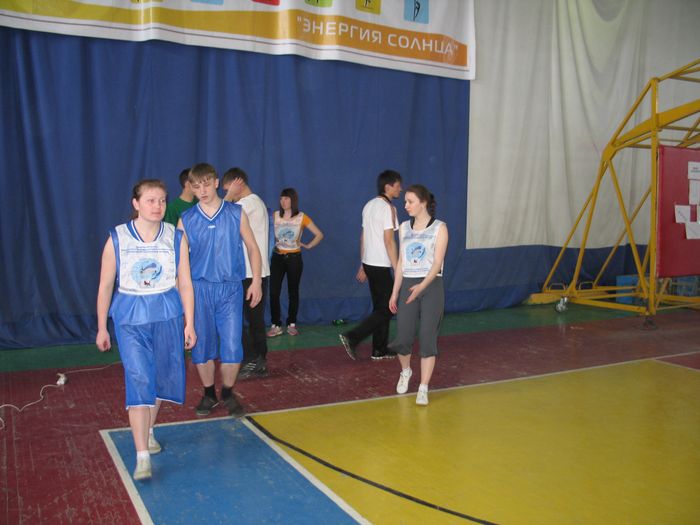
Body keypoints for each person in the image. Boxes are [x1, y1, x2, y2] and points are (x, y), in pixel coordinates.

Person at [96, 179, 196, 481]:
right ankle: (142, 456)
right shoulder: (117, 238)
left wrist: (190, 322)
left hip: (167, 315)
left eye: (162, 200)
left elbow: (185, 283)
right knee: (139, 378)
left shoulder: (176, 237)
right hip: (130, 318)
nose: (158, 206)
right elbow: (105, 286)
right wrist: (101, 327)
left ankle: (149, 430)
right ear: (136, 203)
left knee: (161, 380)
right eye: (151, 200)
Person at [178, 163, 262, 417]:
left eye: (206, 184)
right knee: (201, 347)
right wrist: (178, 293)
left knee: (232, 346)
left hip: (230, 289)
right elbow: (178, 262)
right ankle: (208, 393)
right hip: (199, 290)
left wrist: (256, 281)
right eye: (196, 186)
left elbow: (253, 248)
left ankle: (227, 392)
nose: (202, 190)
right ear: (191, 189)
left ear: (215, 183)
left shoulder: (236, 213)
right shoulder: (186, 219)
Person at [388, 184, 449, 406]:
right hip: (408, 284)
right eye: (405, 201)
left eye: (410, 202)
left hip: (431, 285)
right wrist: (394, 292)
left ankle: (423, 387)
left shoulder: (440, 228)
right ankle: (406, 371)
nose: (405, 205)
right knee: (403, 337)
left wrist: (422, 287)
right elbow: (401, 263)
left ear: (423, 203)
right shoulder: (404, 228)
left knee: (427, 336)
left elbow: (437, 263)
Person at [339, 170, 402, 360]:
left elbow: (363, 237)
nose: (400, 189)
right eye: (398, 185)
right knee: (387, 308)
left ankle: (379, 349)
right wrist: (397, 268)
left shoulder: (368, 205)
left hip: (369, 263)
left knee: (380, 307)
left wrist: (362, 264)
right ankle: (353, 337)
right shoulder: (388, 208)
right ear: (388, 187)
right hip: (381, 265)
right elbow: (389, 241)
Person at [222, 167, 271, 379]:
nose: (229, 193)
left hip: (252, 273)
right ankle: (256, 359)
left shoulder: (248, 204)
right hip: (250, 271)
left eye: (229, 188)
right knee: (251, 319)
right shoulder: (251, 203)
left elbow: (219, 217)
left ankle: (254, 359)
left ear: (238, 182)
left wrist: (229, 195)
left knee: (251, 319)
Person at [267, 188, 324, 337]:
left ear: (293, 200)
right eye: (281, 198)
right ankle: (275, 324)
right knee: (273, 292)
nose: (283, 201)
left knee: (293, 292)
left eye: (286, 198)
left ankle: (291, 323)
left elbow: (319, 234)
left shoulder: (301, 217)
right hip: (277, 258)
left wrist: (309, 245)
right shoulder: (274, 216)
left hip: (294, 259)